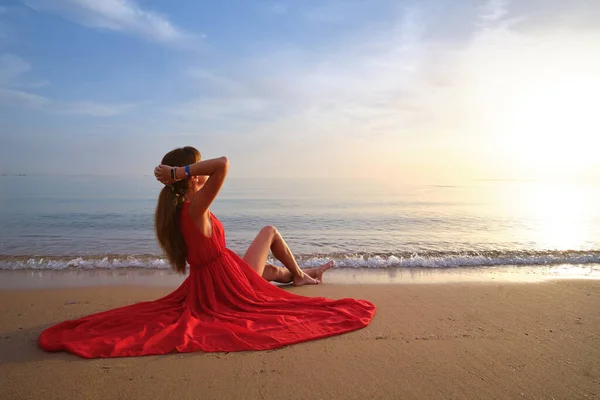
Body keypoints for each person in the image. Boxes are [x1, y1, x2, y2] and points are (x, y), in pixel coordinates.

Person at [38, 146, 375, 358]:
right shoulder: (194, 208)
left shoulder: (178, 210)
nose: (199, 174)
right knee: (269, 232)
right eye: (194, 170)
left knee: (268, 273)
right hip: (223, 282)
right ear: (188, 176)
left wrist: (179, 175)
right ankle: (301, 276)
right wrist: (179, 172)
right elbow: (223, 164)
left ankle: (299, 275)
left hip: (216, 278)